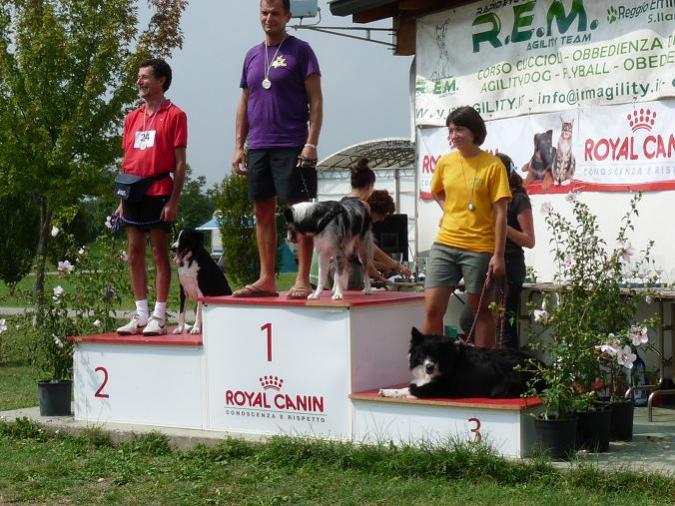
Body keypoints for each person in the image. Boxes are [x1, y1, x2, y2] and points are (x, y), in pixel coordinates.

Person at [231, 0, 323, 299]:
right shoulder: (252, 55)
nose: (268, 19)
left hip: (293, 143)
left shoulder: (301, 50)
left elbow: (317, 101)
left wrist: (311, 142)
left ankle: (302, 279)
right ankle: (266, 278)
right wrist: (238, 146)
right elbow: (245, 102)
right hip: (259, 144)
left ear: (288, 16)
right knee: (262, 210)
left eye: (275, 13)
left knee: (302, 213)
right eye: (264, 13)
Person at [423, 106, 511, 348]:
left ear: (474, 131)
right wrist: (449, 210)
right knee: (432, 309)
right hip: (445, 243)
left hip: (480, 247)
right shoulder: (445, 162)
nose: (453, 135)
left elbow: (501, 213)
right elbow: (436, 191)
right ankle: (433, 369)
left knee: (482, 312)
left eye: (459, 129)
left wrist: (499, 255)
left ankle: (483, 373)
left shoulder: (493, 166)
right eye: (450, 130)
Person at [116, 58, 187, 335]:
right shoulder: (132, 117)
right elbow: (127, 160)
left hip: (159, 191)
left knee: (159, 251)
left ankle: (159, 315)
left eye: (145, 76)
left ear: (162, 81)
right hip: (132, 192)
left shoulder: (175, 115)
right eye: (138, 76)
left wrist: (174, 200)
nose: (139, 81)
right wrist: (121, 201)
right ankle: (141, 313)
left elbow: (180, 162)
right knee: (134, 253)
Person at [459, 153, 535, 349]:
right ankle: (487, 364)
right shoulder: (486, 198)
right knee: (470, 320)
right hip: (485, 263)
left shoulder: (518, 199)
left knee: (504, 327)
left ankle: (505, 371)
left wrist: (501, 225)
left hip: (509, 265)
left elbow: (529, 240)